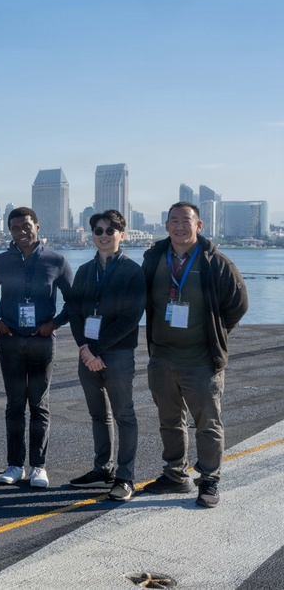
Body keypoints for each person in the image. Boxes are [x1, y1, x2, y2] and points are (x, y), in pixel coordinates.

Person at [140, 202, 247, 508]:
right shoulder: (154, 257)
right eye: (173, 220)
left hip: (201, 360)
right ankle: (175, 475)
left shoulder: (216, 262)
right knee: (169, 420)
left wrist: (216, 332)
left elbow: (238, 303)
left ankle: (210, 479)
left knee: (207, 422)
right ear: (166, 226)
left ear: (199, 226)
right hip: (161, 357)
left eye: (186, 221)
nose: (179, 226)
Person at [0, 207, 73, 488]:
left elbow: (75, 301)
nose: (21, 232)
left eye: (26, 226)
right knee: (14, 405)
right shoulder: (0, 261)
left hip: (41, 341)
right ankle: (14, 465)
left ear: (37, 226)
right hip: (9, 340)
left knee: (39, 405)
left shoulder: (56, 261)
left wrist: (55, 323)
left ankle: (38, 466)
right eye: (15, 228)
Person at [67, 210, 146, 502]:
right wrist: (85, 350)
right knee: (98, 414)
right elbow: (75, 312)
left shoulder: (132, 271)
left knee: (124, 415)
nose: (103, 235)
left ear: (121, 235)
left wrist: (96, 350)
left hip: (118, 354)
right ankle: (102, 469)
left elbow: (130, 318)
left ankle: (125, 478)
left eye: (110, 231)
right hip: (87, 354)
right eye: (98, 231)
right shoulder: (86, 270)